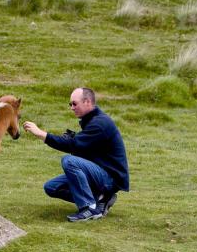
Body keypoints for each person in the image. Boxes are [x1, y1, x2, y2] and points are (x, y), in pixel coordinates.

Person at [23, 87, 129, 222]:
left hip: (110, 178)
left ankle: (89, 208)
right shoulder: (92, 121)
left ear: (87, 102)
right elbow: (83, 148)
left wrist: (41, 134)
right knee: (51, 187)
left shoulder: (100, 123)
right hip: (100, 174)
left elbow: (73, 145)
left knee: (69, 161)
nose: (72, 108)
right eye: (70, 104)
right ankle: (101, 198)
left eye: (74, 103)